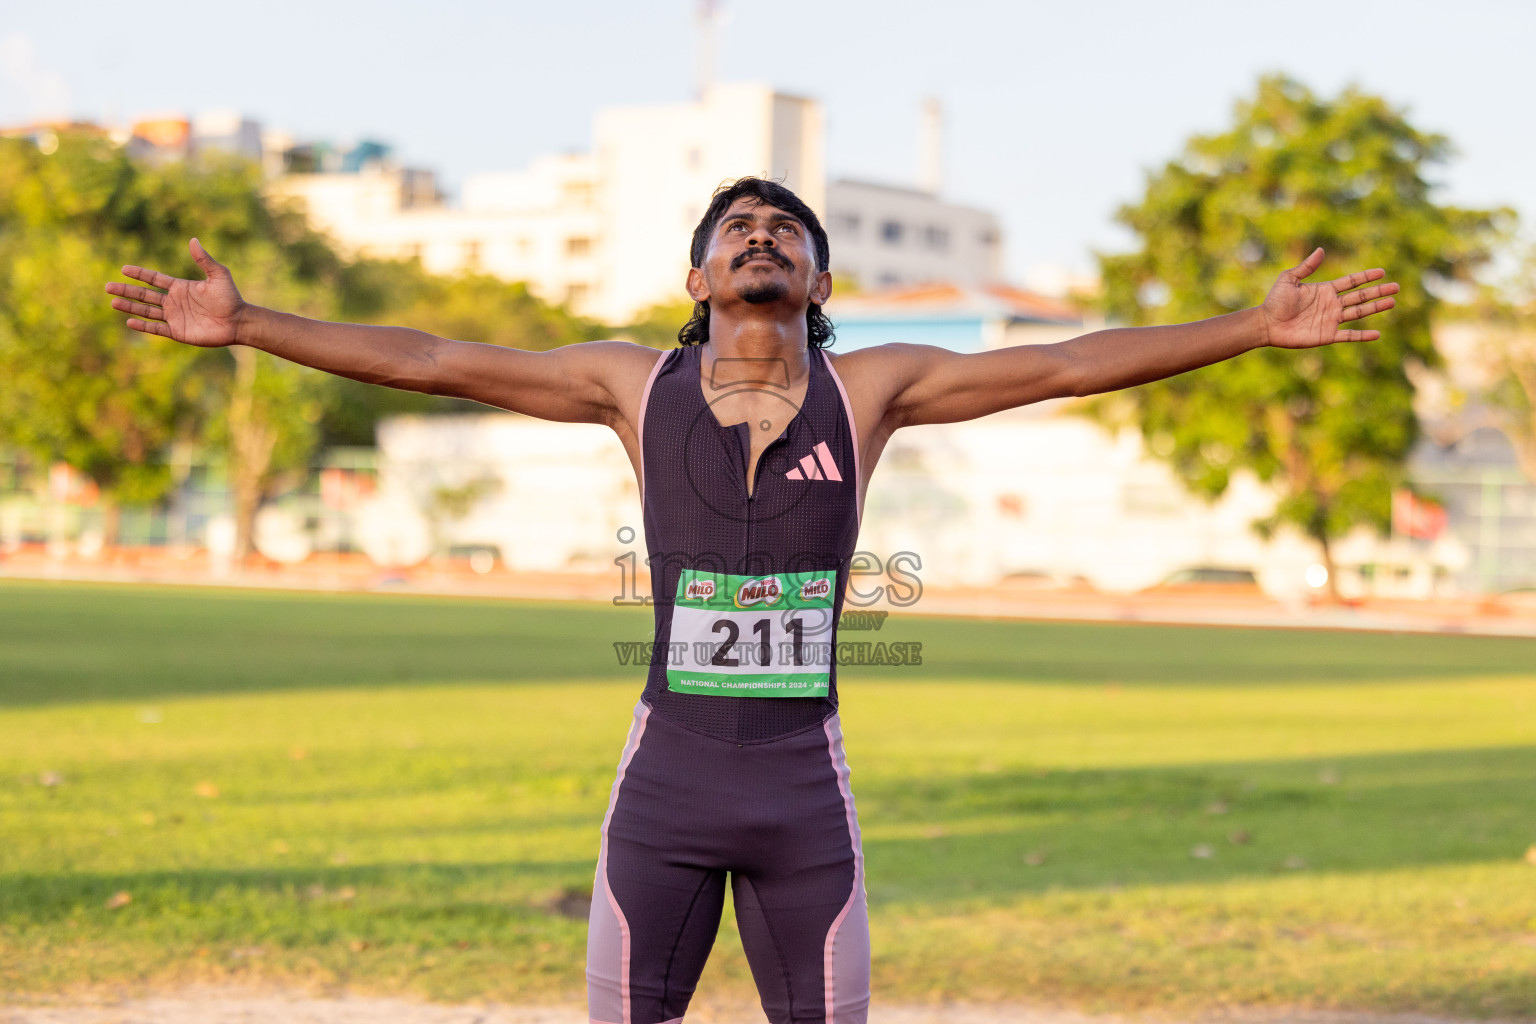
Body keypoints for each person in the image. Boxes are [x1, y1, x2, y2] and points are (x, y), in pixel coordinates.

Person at [106, 176, 1397, 1024]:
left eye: (788, 232)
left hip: (802, 796)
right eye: (738, 230)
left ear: (822, 286)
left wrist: (1249, 327)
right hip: (662, 787)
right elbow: (437, 359)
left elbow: (1062, 362)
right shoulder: (627, 384)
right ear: (698, 281)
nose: (762, 237)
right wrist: (252, 323)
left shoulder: (874, 389)